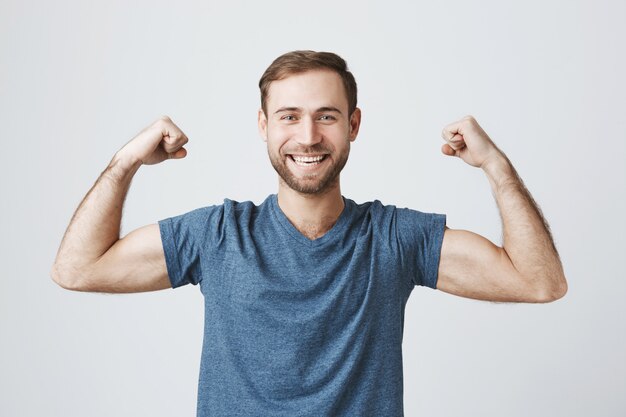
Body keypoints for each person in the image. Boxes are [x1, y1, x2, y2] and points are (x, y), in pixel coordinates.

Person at [51, 50, 567, 416]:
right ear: (263, 125)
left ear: (354, 125)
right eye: (289, 116)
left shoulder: (393, 238)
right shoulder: (218, 234)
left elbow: (538, 282)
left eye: (327, 116)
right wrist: (125, 163)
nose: (308, 136)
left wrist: (495, 165)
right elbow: (77, 268)